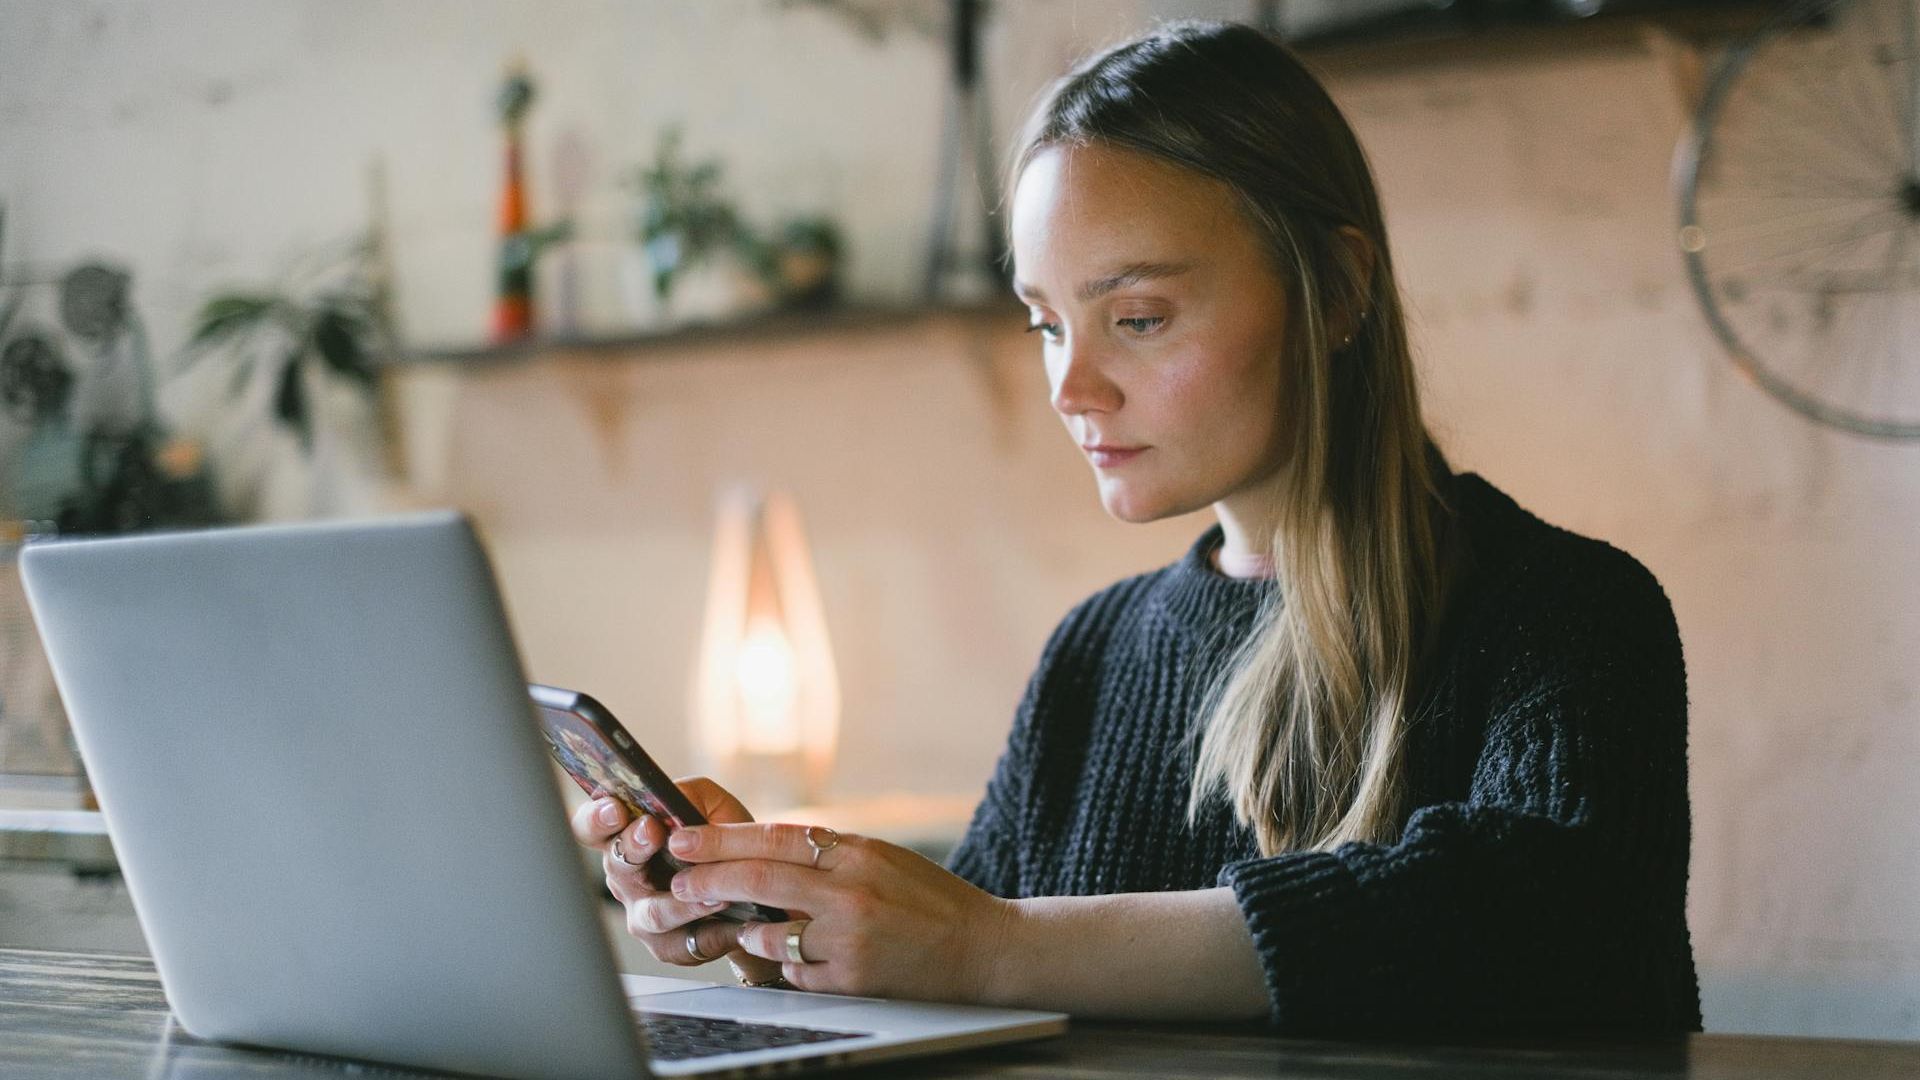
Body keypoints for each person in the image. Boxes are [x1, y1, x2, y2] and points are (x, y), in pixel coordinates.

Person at [571, 20, 1701, 1036]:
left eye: (1139, 317)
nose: (1073, 385)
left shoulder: (1565, 612)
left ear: (1342, 289)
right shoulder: (1095, 652)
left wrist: (989, 944)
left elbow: (1541, 920)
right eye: (1047, 323)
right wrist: (779, 920)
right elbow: (962, 980)